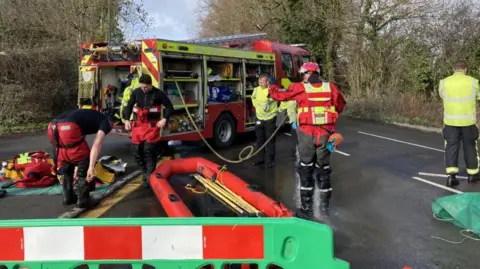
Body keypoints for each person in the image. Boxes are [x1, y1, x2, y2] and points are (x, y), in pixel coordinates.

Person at [269, 62, 346, 217]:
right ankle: (324, 210)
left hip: (306, 134)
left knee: (306, 169)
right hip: (325, 134)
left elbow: (278, 95)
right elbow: (340, 105)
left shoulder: (299, 87)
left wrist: (272, 85)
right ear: (318, 72)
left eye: (303, 74)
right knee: (324, 170)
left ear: (305, 73)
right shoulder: (330, 87)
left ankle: (306, 209)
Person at [47, 109, 112, 208]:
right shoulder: (106, 122)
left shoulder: (88, 117)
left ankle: (68, 197)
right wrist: (90, 167)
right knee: (83, 157)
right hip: (68, 127)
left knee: (66, 157)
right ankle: (83, 199)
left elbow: (77, 141)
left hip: (52, 126)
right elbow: (96, 145)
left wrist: (76, 166)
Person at [123, 74, 174, 188]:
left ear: (150, 85)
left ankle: (150, 177)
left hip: (152, 126)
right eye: (142, 87)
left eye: (145, 87)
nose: (143, 89)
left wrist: (164, 119)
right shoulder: (136, 92)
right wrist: (127, 120)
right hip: (139, 125)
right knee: (137, 151)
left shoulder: (159, 94)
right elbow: (129, 105)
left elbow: (170, 107)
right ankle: (145, 172)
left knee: (149, 151)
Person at [439, 60, 480, 187]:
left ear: (453, 69)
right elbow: (478, 96)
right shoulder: (473, 82)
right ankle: (472, 175)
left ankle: (451, 177)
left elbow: (442, 95)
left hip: (450, 122)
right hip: (468, 122)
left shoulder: (444, 83)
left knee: (451, 147)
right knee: (471, 147)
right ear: (466, 69)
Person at [251, 74, 279, 168]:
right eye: (259, 82)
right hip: (259, 118)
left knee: (270, 140)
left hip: (270, 118)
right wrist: (256, 105)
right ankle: (260, 159)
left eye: (262, 82)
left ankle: (271, 160)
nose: (260, 84)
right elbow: (253, 98)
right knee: (259, 140)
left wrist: (270, 101)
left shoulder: (272, 89)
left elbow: (278, 97)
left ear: (267, 82)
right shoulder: (256, 89)